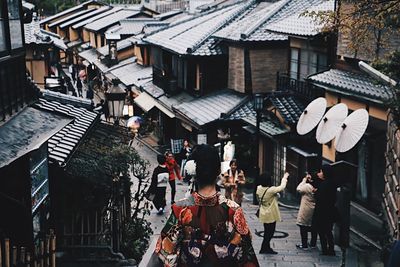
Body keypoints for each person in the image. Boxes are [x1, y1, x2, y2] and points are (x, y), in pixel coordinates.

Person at [155, 144, 260, 266]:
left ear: (193, 171)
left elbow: (164, 253)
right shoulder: (233, 210)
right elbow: (247, 259)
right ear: (218, 171)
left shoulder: (180, 209)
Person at [256, 172, 289, 254]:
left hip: (263, 213)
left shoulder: (259, 188)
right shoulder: (271, 190)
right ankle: (264, 248)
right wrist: (284, 177)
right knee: (270, 232)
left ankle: (267, 248)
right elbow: (282, 187)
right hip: (270, 214)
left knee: (267, 231)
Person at [312, 164, 338, 256]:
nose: (320, 173)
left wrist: (316, 192)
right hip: (330, 211)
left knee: (322, 231)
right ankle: (331, 249)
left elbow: (320, 198)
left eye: (321, 171)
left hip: (322, 212)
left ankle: (325, 249)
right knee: (328, 231)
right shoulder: (332, 182)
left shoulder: (325, 184)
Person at [296, 173, 318, 250]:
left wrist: (304, 180)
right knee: (313, 227)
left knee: (303, 226)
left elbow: (299, 189)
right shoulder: (317, 186)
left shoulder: (308, 186)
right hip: (314, 208)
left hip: (306, 208)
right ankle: (313, 244)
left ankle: (304, 244)